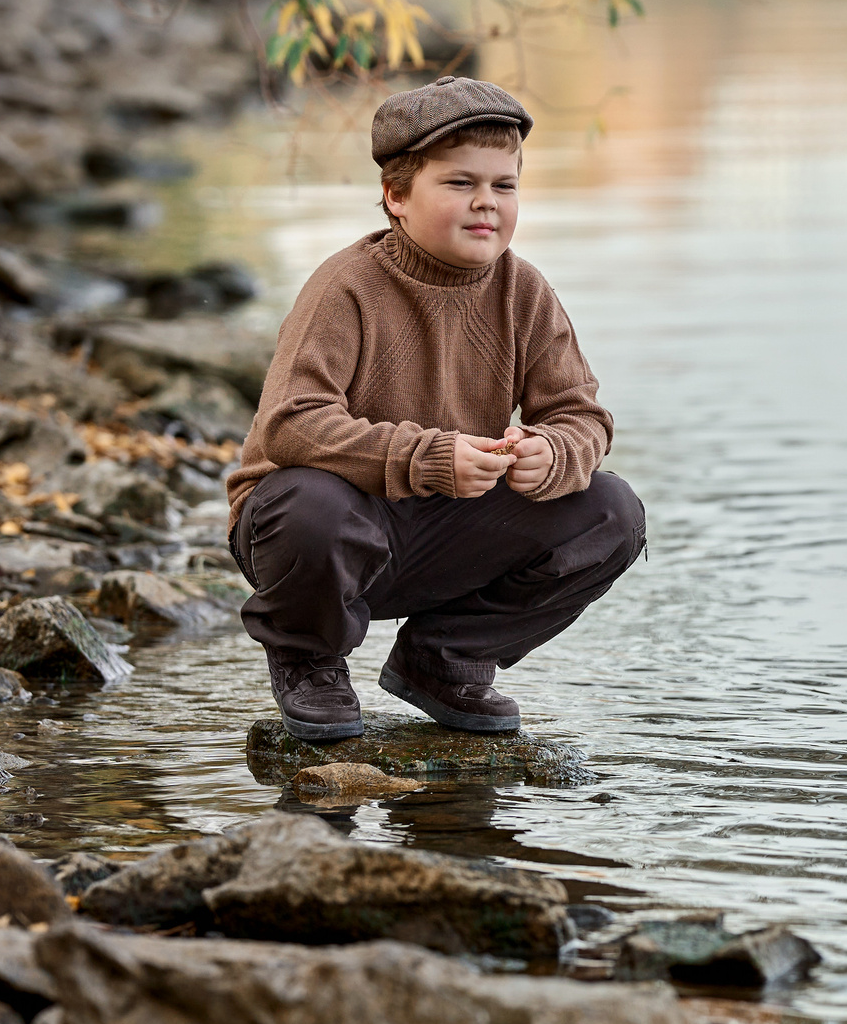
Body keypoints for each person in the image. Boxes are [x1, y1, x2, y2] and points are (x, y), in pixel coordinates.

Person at [225, 75, 643, 739]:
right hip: (316, 538)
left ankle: (445, 657)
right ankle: (310, 658)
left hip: (442, 532)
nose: (487, 204)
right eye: (459, 184)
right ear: (396, 196)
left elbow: (583, 417)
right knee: (314, 506)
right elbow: (290, 422)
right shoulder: (346, 288)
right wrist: (430, 455)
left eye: (504, 185)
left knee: (610, 512)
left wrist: (555, 452)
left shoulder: (522, 291)